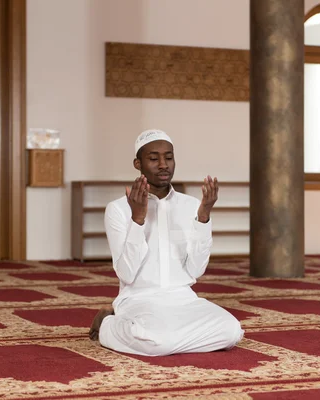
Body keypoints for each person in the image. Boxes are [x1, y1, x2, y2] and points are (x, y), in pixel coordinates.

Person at [89, 129, 244, 357]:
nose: (163, 164)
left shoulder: (191, 205)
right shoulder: (118, 209)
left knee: (231, 332)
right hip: (139, 300)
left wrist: (203, 218)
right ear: (137, 163)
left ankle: (166, 338)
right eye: (153, 159)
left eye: (168, 157)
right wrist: (138, 219)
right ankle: (108, 325)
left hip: (183, 300)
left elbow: (196, 270)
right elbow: (126, 273)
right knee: (157, 342)